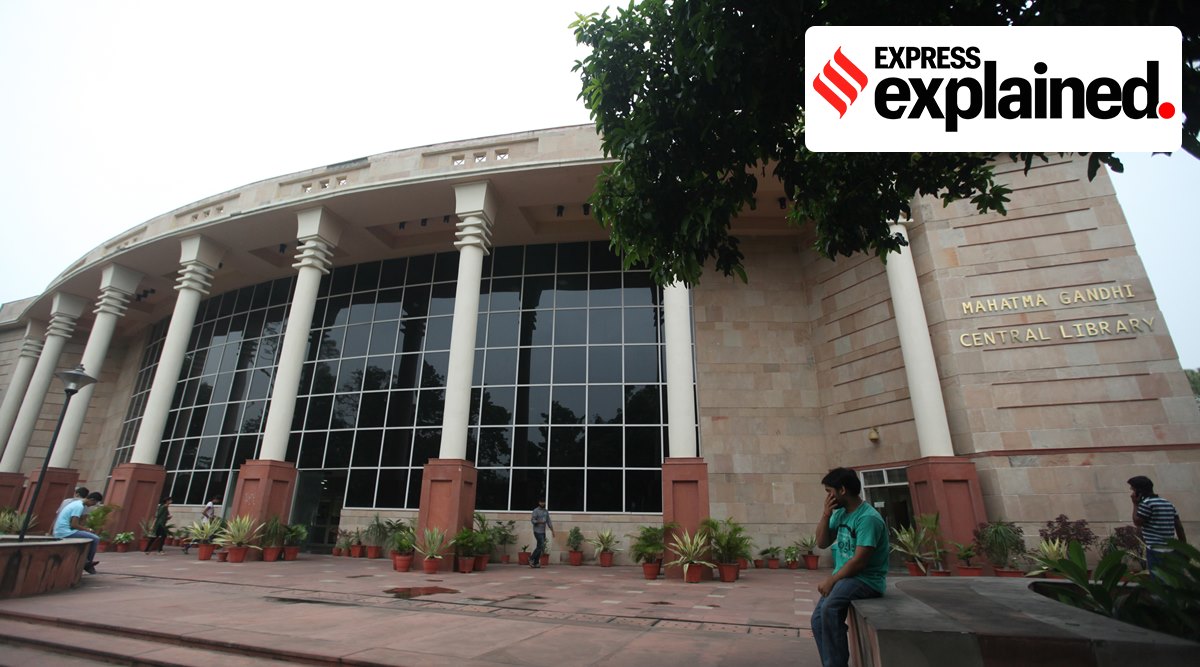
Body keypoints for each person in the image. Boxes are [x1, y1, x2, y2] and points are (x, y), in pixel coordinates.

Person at [812, 467, 889, 667]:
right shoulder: (841, 514)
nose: (828, 497)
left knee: (830, 608)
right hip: (846, 578)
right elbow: (821, 543)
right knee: (818, 620)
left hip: (866, 579)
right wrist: (825, 515)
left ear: (842, 490)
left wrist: (832, 580)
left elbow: (859, 561)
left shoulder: (868, 518)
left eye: (830, 491)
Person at [1128, 475, 1187, 576]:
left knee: (1159, 581)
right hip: (1170, 549)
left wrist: (1135, 504)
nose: (1132, 493)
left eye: (1133, 490)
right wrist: (1184, 548)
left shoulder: (1147, 504)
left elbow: (1137, 522)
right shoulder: (1167, 503)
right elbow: (1179, 527)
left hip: (1156, 551)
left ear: (1139, 491)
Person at [53, 491, 104, 574]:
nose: (92, 505)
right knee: (95, 538)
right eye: (94, 503)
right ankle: (88, 563)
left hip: (63, 530)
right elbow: (74, 524)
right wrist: (88, 530)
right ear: (91, 499)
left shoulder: (77, 504)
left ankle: (86, 561)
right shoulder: (78, 506)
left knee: (88, 537)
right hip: (65, 532)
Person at [529, 499, 555, 568]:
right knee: (541, 546)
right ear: (539, 502)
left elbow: (548, 521)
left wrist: (552, 531)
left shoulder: (546, 512)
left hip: (543, 531)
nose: (542, 503)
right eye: (541, 502)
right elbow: (532, 520)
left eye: (544, 502)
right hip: (537, 531)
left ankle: (536, 562)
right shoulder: (536, 511)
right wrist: (539, 522)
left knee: (539, 546)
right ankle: (531, 558)